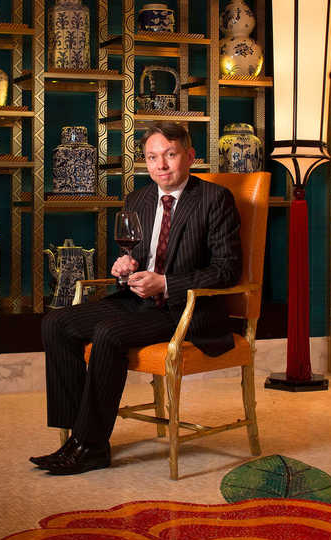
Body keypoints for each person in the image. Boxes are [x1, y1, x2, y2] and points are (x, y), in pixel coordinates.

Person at [31, 121, 242, 475]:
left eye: (170, 155)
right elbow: (135, 256)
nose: (160, 165)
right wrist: (125, 266)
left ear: (190, 156)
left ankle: (90, 446)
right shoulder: (139, 199)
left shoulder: (214, 199)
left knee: (109, 333)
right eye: (152, 157)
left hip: (188, 309)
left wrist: (166, 283)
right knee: (56, 322)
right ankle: (75, 437)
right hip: (139, 303)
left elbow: (227, 270)